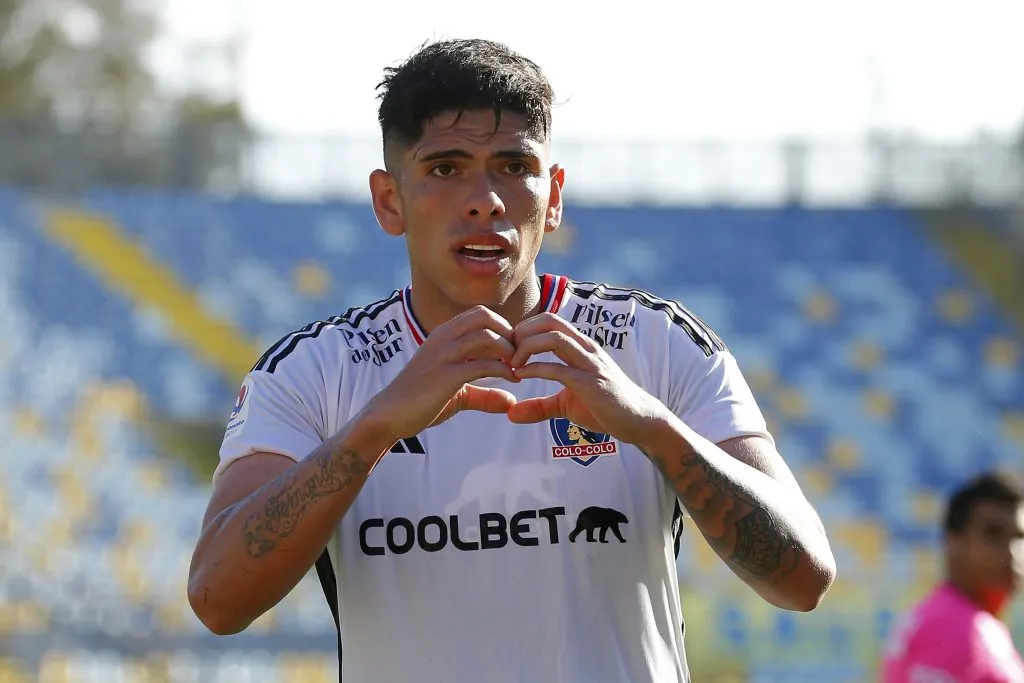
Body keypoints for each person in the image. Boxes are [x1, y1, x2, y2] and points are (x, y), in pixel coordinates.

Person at [186, 38, 836, 682]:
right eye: (445, 168)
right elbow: (218, 599)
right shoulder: (314, 371)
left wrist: (651, 426)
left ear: (552, 195)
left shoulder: (653, 344)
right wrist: (372, 430)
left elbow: (804, 578)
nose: (485, 200)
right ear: (390, 200)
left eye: (512, 166)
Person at [882, 471, 1024, 683]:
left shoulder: (947, 617)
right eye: (993, 534)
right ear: (954, 543)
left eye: (1020, 537)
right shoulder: (957, 631)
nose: (1012, 551)